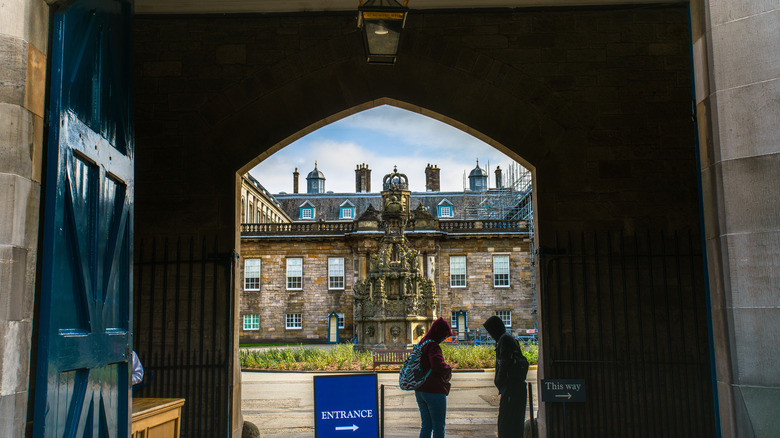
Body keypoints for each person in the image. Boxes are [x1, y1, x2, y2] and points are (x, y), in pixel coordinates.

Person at [483, 316, 529, 438]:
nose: (489, 334)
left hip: (511, 388)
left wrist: (500, 382)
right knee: (514, 423)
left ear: (495, 329)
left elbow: (504, 364)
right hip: (515, 388)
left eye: (489, 330)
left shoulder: (504, 340)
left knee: (506, 425)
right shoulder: (506, 338)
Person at [415, 317, 453, 438]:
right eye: (444, 335)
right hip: (434, 391)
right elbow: (437, 365)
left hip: (420, 389)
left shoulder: (422, 342)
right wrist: (448, 369)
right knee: (438, 428)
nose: (443, 339)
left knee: (426, 426)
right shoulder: (433, 345)